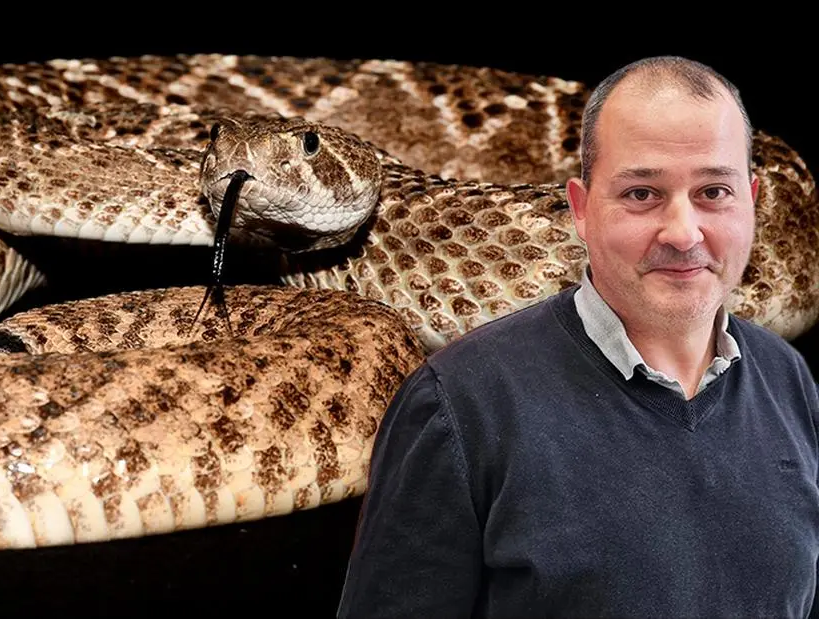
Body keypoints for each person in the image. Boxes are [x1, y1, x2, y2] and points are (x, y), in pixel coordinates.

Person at [335, 55, 818, 618]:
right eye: (642, 193)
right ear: (581, 210)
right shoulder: (458, 406)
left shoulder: (791, 384)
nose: (685, 233)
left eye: (715, 192)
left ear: (755, 204)